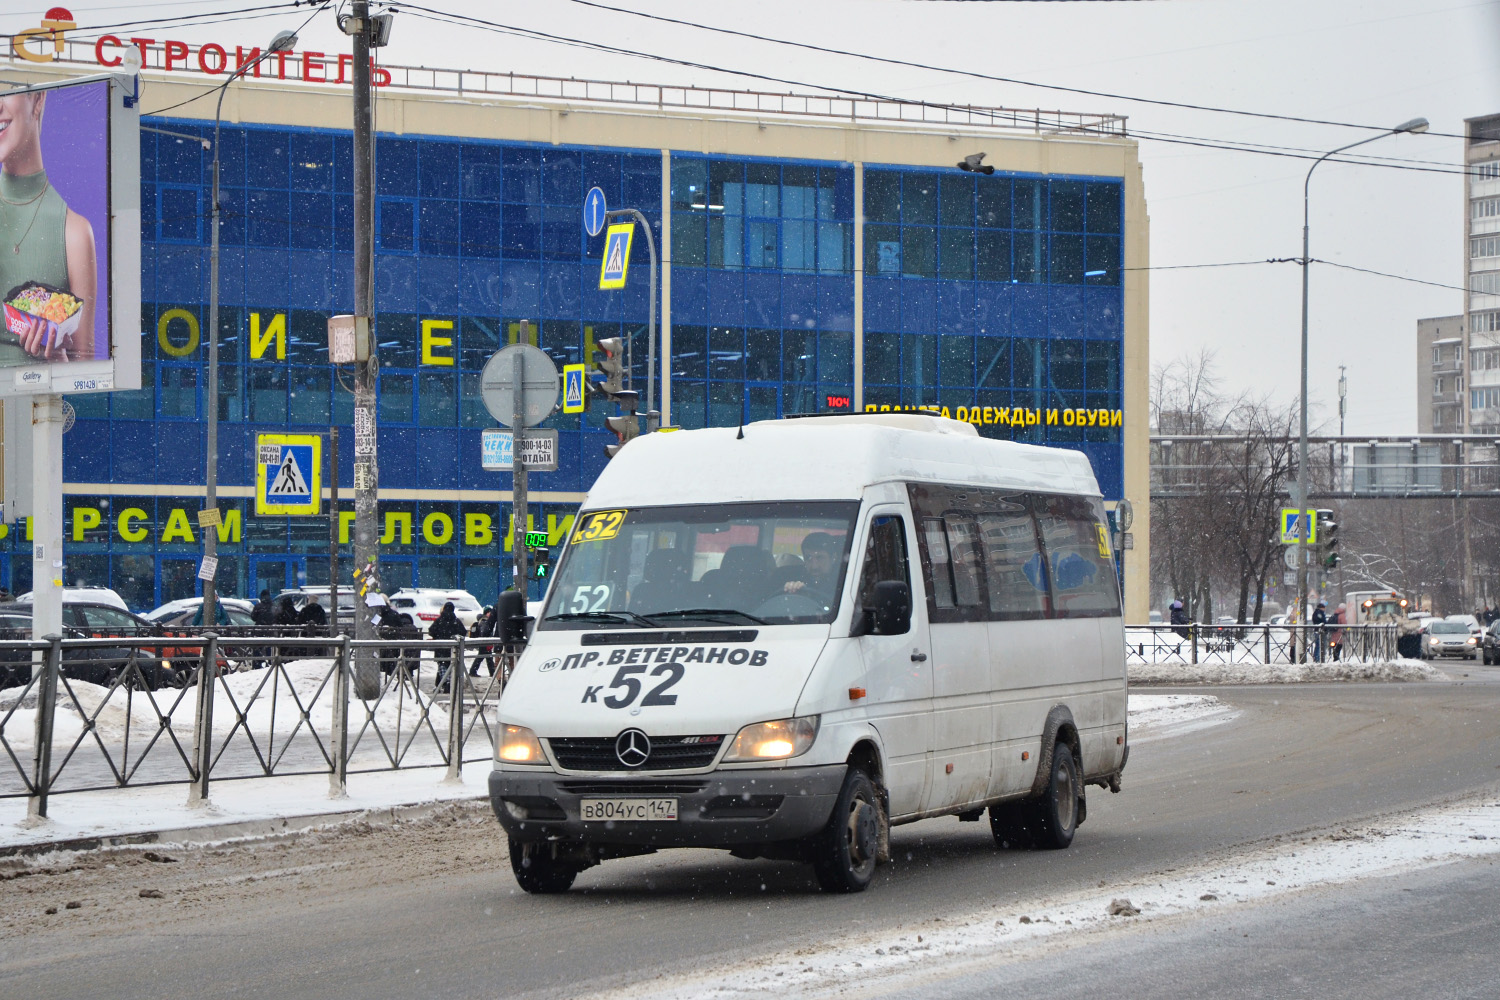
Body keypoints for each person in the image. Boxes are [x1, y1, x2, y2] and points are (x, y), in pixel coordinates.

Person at [0, 87, 98, 365]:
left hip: (41, 406)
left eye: (5, 91)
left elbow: (84, 372)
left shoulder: (75, 233)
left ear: (38, 99)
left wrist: (56, 359)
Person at [783, 532, 839, 597]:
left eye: (820, 558)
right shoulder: (795, 578)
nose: (814, 566)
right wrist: (792, 592)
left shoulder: (844, 584)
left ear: (833, 558)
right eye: (808, 558)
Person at [428, 601, 467, 693]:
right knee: (450, 665)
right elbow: (463, 632)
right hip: (452, 648)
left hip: (440, 647)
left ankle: (445, 683)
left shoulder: (439, 620)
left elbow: (431, 631)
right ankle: (444, 684)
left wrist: (438, 636)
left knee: (442, 665)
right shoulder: (456, 621)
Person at [469, 605, 499, 678]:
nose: (491, 614)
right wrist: (487, 639)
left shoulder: (482, 621)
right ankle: (474, 671)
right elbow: (485, 632)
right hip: (485, 642)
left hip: (484, 642)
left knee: (486, 657)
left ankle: (491, 672)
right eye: (490, 612)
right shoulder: (485, 621)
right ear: (486, 613)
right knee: (484, 657)